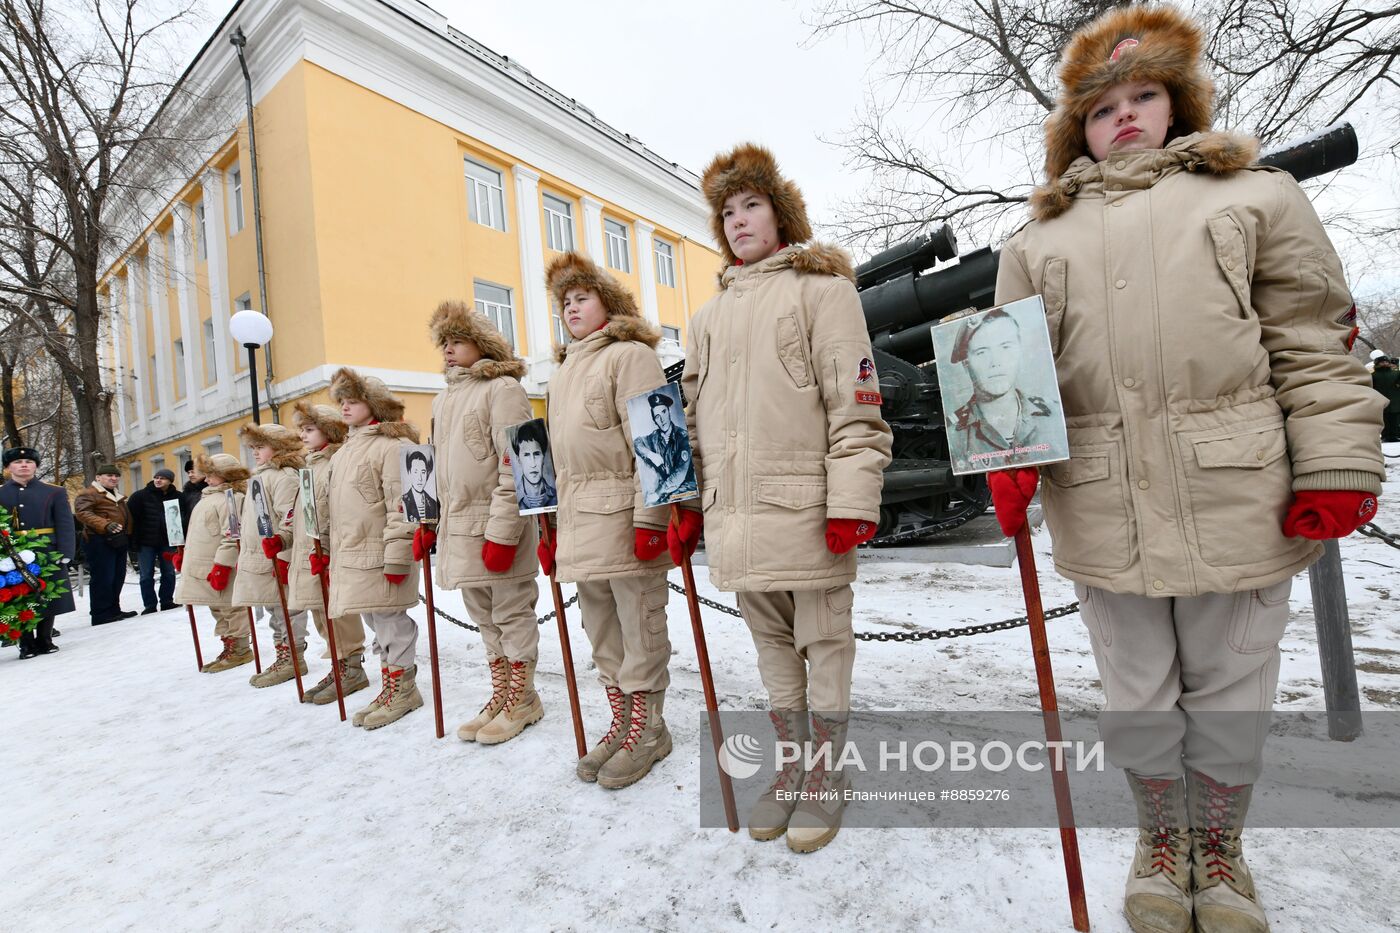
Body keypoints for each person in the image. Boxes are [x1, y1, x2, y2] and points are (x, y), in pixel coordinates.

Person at [988, 7, 1384, 933]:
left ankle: (1221, 848)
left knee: (1233, 684)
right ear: (1075, 129)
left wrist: (1334, 461)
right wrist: (1005, 458)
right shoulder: (1036, 243)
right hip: (1102, 504)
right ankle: (1161, 844)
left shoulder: (1255, 197)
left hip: (1236, 494)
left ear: (1177, 106)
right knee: (1137, 690)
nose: (1123, 115)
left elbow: (1313, 341)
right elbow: (1008, 373)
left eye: (1144, 95)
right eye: (1101, 107)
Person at [678, 143, 893, 853]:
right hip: (735, 517)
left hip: (806, 510)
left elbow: (856, 406)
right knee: (772, 650)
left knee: (824, 646)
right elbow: (690, 422)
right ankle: (794, 764)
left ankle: (827, 774)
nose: (739, 220)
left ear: (780, 213)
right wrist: (685, 502)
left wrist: (852, 501)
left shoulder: (823, 293)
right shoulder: (707, 318)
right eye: (727, 211)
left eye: (752, 204)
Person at [543, 252, 675, 789]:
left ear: (609, 303)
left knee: (640, 623)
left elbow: (657, 443)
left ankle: (650, 729)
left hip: (623, 517)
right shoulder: (563, 371)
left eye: (582, 298)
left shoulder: (630, 357)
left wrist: (653, 517)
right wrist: (548, 525)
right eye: (565, 302)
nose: (572, 308)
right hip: (579, 521)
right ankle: (622, 719)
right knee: (599, 626)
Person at [424, 300, 542, 744]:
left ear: (483, 344)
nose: (449, 351)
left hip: (496, 525)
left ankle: (523, 697)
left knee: (512, 613)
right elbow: (436, 469)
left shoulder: (504, 389)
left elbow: (520, 462)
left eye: (458, 341)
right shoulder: (444, 397)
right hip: (459, 528)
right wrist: (430, 523)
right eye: (445, 343)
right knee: (483, 617)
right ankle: (502, 692)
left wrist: (505, 532)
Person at [324, 367, 424, 729]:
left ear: (375, 404)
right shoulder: (344, 452)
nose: (345, 408)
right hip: (353, 557)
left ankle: (404, 689)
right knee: (375, 621)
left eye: (354, 401)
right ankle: (389, 685)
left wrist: (398, 555)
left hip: (381, 556)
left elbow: (404, 505)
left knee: (392, 623)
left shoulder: (394, 447)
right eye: (342, 401)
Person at [282, 401, 370, 704]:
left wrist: (330, 550)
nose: (303, 436)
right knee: (321, 613)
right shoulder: (310, 466)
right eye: (301, 430)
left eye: (309, 429)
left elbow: (339, 510)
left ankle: (352, 666)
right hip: (309, 553)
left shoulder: (335, 464)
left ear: (329, 431)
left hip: (331, 554)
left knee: (338, 614)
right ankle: (338, 663)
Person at [234, 422, 308, 690]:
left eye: (260, 446)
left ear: (278, 448)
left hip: (279, 554)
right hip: (263, 556)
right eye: (252, 447)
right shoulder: (261, 475)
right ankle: (282, 654)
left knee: (287, 609)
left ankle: (293, 655)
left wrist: (286, 556)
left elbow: (290, 518)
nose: (254, 452)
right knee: (273, 607)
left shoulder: (283, 476)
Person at [948, 308, 1059, 471]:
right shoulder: (954, 433)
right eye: (981, 352)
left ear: (1020, 352)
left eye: (1006, 347)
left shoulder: (1054, 414)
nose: (996, 362)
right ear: (966, 364)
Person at [173, 453, 252, 672]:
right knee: (217, 608)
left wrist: (223, 565)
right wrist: (183, 554)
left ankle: (240, 648)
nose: (206, 479)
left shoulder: (232, 498)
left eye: (211, 475)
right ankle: (228, 644)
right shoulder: (207, 497)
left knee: (231, 607)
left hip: (220, 566)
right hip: (203, 565)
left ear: (225, 475)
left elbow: (233, 535)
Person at [0, 446, 75, 658]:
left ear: (35, 466)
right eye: (17, 462)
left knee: (47, 593)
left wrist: (66, 551)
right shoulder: (1, 494)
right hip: (12, 551)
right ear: (8, 468)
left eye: (29, 462)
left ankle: (45, 639)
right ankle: (26, 643)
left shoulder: (54, 491)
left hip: (47, 550)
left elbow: (65, 523)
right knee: (19, 595)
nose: (24, 465)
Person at [73, 464, 136, 626]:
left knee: (117, 576)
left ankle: (114, 609)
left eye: (116, 476)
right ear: (98, 478)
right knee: (103, 578)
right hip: (98, 540)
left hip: (118, 540)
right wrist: (105, 524)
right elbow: (83, 513)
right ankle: (100, 613)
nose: (113, 478)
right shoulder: (89, 494)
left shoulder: (116, 495)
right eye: (109, 475)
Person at [125, 467, 181, 613]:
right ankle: (149, 605)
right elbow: (131, 519)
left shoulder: (177, 497)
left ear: (169, 481)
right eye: (156, 477)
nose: (158, 480)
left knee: (168, 572)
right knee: (146, 574)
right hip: (145, 543)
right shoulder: (139, 496)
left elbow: (183, 518)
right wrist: (132, 540)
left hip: (168, 542)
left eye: (162, 478)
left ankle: (167, 600)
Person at [632, 391, 696, 503]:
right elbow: (637, 442)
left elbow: (680, 474)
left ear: (669, 411)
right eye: (657, 417)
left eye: (663, 412)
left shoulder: (683, 437)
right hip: (666, 489)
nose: (662, 419)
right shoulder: (654, 437)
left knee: (662, 499)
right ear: (654, 421)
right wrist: (650, 455)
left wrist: (658, 493)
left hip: (686, 488)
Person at [510, 420, 556, 510]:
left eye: (537, 454)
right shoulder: (514, 499)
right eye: (526, 455)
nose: (533, 464)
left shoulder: (556, 495)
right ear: (519, 460)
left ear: (543, 456)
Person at [399, 450, 440, 522]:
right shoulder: (404, 501)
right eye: (415, 472)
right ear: (409, 473)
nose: (420, 478)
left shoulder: (433, 502)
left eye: (423, 472)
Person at [1369, 350, 1400, 442]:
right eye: (1382, 362)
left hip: (1396, 401)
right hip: (1380, 401)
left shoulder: (1396, 374)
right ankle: (1385, 435)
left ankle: (1395, 435)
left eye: (1386, 362)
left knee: (1395, 420)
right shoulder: (1372, 376)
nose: (1385, 363)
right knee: (1384, 420)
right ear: (1377, 364)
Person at [180, 459, 206, 532]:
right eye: (188, 472)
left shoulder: (210, 490)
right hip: (190, 531)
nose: (190, 475)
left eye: (193, 472)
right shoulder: (187, 491)